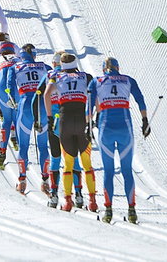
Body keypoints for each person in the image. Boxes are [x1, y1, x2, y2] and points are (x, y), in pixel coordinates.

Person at [87, 57, 150, 223]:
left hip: (105, 128)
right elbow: (140, 99)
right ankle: (131, 211)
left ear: (103, 69)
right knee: (127, 170)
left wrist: (88, 126)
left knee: (108, 172)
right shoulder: (128, 80)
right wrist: (145, 121)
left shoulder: (96, 81)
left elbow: (89, 105)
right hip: (125, 128)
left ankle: (108, 210)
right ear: (118, 68)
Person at [42, 53, 98, 212]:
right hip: (82, 121)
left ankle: (67, 201)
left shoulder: (56, 77)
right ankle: (91, 201)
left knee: (67, 163)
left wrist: (49, 117)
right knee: (86, 163)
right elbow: (95, 94)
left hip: (64, 122)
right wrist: (94, 116)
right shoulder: (85, 76)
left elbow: (46, 94)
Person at [33, 51, 85, 207]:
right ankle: (79, 195)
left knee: (55, 157)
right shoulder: (74, 77)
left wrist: (38, 119)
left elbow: (38, 97)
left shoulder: (50, 76)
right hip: (73, 119)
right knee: (73, 157)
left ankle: (54, 195)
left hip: (55, 123)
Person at [6, 44, 51, 195]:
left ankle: (22, 180)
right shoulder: (44, 66)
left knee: (23, 146)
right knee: (43, 146)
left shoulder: (15, 67)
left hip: (25, 106)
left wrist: (13, 102)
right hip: (42, 108)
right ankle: (45, 181)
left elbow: (9, 88)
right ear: (33, 54)